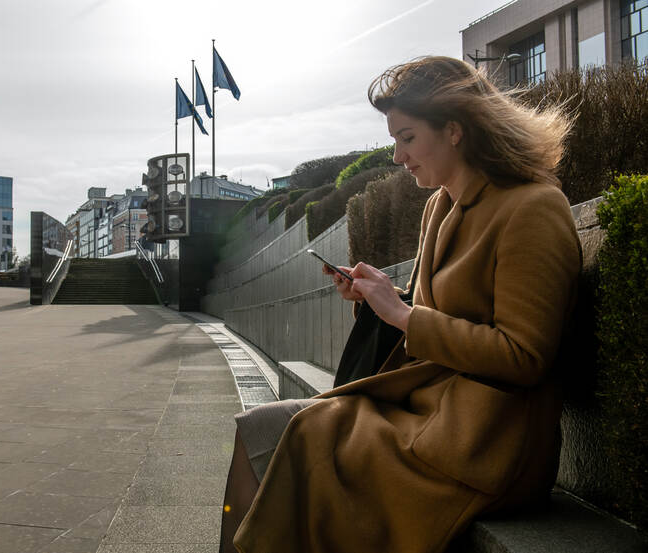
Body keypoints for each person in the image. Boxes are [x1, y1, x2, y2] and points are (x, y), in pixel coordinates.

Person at [219, 56, 582, 553]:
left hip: (486, 445)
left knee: (301, 432)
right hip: (425, 417)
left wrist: (405, 314)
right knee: (257, 429)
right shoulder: (441, 204)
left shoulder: (533, 207)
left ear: (454, 130)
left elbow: (525, 356)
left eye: (407, 138)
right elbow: (427, 315)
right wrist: (373, 302)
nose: (397, 156)